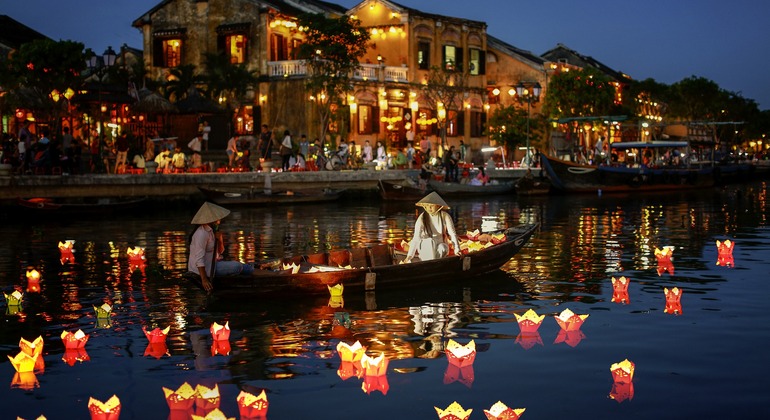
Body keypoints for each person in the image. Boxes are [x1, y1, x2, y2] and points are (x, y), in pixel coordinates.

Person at [187, 202, 255, 292]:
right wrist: (204, 280)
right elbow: (199, 259)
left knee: (246, 267)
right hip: (204, 269)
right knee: (237, 266)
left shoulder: (212, 231)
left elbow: (220, 251)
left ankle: (265, 272)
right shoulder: (201, 233)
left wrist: (220, 239)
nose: (219, 219)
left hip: (213, 264)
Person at [404, 192, 461, 263]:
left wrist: (457, 250)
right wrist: (409, 256)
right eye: (427, 205)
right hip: (426, 247)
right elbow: (416, 238)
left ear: (438, 206)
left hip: (440, 245)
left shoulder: (445, 216)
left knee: (443, 248)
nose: (429, 208)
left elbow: (452, 234)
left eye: (432, 205)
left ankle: (434, 264)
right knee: (430, 241)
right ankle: (431, 264)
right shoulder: (422, 218)